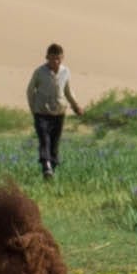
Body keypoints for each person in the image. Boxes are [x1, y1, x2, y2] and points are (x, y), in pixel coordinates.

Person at [26, 44, 86, 179]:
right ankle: (46, 166)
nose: (55, 62)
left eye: (58, 59)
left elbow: (68, 91)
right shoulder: (39, 72)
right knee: (44, 140)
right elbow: (30, 91)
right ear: (47, 57)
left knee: (55, 143)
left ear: (62, 58)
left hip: (59, 113)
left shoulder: (65, 72)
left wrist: (76, 106)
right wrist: (33, 109)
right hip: (41, 113)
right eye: (52, 58)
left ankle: (51, 170)